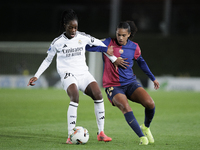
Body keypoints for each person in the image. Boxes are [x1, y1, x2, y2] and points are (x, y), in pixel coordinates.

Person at [27, 9, 113, 144]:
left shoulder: (82, 36)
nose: (73, 30)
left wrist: (110, 53)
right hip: (68, 74)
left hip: (83, 73)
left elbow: (97, 42)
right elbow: (48, 60)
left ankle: (101, 132)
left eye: (75, 27)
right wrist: (36, 75)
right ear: (64, 26)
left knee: (98, 95)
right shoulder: (57, 42)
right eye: (71, 27)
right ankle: (70, 134)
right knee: (75, 97)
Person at [86, 21, 160, 145]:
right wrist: (105, 50)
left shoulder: (134, 47)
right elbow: (88, 47)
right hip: (113, 86)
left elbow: (141, 62)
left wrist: (153, 78)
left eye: (123, 35)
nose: (120, 37)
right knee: (125, 107)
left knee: (150, 103)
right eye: (118, 34)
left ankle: (145, 127)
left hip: (130, 83)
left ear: (129, 34)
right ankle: (142, 137)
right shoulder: (108, 42)